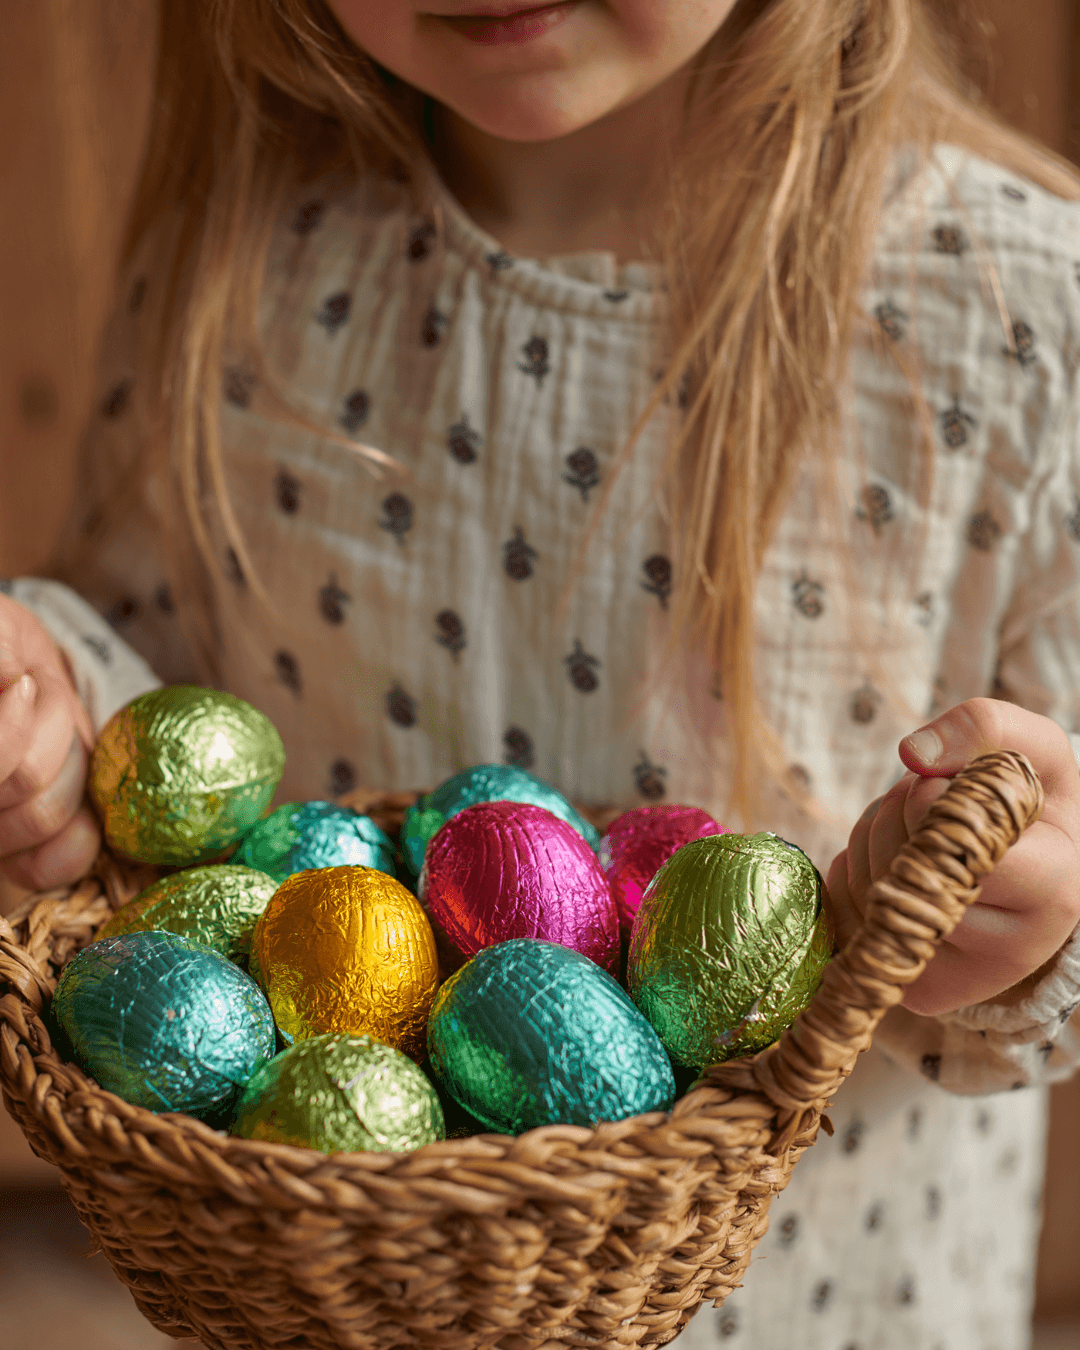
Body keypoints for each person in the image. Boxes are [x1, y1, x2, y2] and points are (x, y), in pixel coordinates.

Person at [2, 0, 1080, 1344]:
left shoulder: (1015, 315)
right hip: (362, 1296)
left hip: (820, 1296)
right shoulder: (254, 258)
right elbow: (149, 668)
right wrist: (55, 700)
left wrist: (1026, 920)